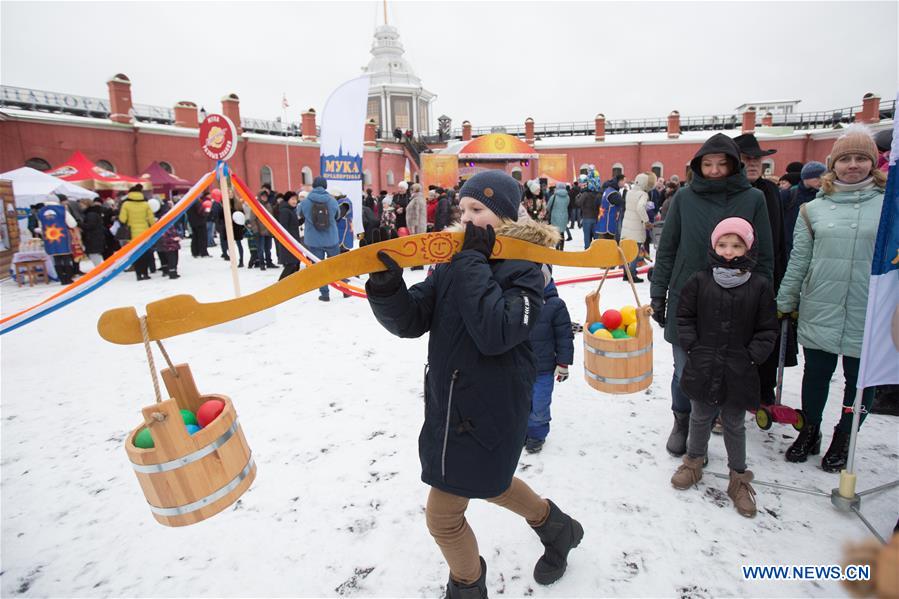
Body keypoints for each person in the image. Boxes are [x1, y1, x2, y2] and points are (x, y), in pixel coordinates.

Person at [364, 170, 583, 596]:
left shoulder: (527, 268)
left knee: (444, 518)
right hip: (449, 404)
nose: (465, 219)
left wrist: (470, 261)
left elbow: (497, 331)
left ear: (503, 217)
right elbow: (412, 319)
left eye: (477, 210)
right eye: (461, 209)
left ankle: (467, 586)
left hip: (493, 409)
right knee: (492, 484)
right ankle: (559, 529)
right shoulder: (452, 263)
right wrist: (387, 289)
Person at [650, 133, 774, 458]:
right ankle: (683, 421)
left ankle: (710, 425)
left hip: (737, 303)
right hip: (686, 299)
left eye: (722, 163)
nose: (715, 170)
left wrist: (763, 301)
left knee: (723, 369)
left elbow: (764, 257)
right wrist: (658, 294)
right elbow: (667, 249)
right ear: (698, 166)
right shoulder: (685, 198)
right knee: (684, 370)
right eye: (708, 164)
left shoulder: (753, 199)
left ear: (733, 165)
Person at [776, 126, 887, 471]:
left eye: (860, 159)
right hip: (821, 302)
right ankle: (809, 430)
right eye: (845, 159)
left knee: (860, 379)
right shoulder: (815, 210)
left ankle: (845, 434)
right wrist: (785, 300)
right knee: (817, 374)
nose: (852, 165)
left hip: (868, 307)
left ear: (872, 163)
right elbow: (799, 259)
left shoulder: (889, 207)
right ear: (833, 165)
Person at [671, 217, 778, 518]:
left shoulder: (758, 286)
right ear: (714, 246)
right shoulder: (700, 280)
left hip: (738, 368)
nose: (729, 251)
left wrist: (751, 356)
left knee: (733, 423)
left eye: (736, 245)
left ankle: (739, 477)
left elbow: (767, 329)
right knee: (700, 416)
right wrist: (693, 347)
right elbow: (685, 317)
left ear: (748, 248)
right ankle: (693, 463)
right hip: (704, 364)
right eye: (723, 244)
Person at [733, 134, 787, 407]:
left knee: (765, 335)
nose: (753, 164)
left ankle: (764, 388)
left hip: (766, 276)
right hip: (732, 276)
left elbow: (778, 239)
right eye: (747, 159)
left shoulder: (770, 191)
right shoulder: (730, 193)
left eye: (757, 159)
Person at [525, 274, 574, 454]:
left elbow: (564, 336)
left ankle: (537, 434)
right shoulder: (518, 299)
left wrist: (563, 363)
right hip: (520, 367)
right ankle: (523, 431)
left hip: (544, 369)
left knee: (540, 402)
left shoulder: (555, 305)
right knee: (522, 401)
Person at [297, 177, 340, 299]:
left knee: (319, 268)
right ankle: (345, 289)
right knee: (337, 265)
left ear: (314, 186)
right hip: (331, 238)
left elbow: (299, 215)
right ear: (325, 186)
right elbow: (337, 216)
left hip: (314, 241)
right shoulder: (332, 201)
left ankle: (325, 294)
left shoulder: (305, 202)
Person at [781, 161, 826, 258]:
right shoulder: (789, 194)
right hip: (790, 245)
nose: (822, 181)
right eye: (817, 177)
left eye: (824, 177)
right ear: (806, 177)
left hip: (816, 246)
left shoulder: (824, 196)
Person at [118, 188, 157, 281]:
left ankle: (139, 274)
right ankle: (146, 273)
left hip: (132, 233)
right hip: (145, 232)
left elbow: (122, 219)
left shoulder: (126, 204)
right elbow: (151, 219)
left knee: (136, 254)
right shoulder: (145, 204)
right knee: (146, 253)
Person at [619, 173, 651, 282]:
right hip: (636, 226)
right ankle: (632, 275)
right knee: (635, 252)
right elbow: (640, 207)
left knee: (627, 251)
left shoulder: (629, 192)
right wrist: (646, 221)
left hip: (627, 225)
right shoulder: (643, 194)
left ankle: (625, 274)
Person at [276, 191, 302, 281]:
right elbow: (284, 227)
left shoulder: (290, 210)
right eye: (293, 199)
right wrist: (289, 240)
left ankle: (287, 284)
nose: (295, 201)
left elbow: (293, 224)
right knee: (291, 264)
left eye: (296, 199)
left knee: (294, 264)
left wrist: (303, 219)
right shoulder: (285, 211)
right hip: (288, 242)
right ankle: (280, 284)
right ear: (287, 200)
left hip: (293, 240)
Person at [79, 197, 106, 267]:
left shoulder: (90, 214)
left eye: (81, 205)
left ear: (86, 205)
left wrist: (79, 224)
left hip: (93, 238)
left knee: (94, 255)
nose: (80, 207)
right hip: (95, 237)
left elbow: (90, 226)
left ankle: (99, 270)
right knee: (94, 255)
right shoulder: (92, 213)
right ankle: (99, 269)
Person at [546, 183, 570, 250]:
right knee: (562, 232)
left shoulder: (554, 196)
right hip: (564, 217)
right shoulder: (567, 196)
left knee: (556, 232)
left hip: (555, 217)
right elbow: (567, 205)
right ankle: (562, 248)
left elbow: (548, 207)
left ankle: (557, 247)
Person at [188, 193, 210, 258]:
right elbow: (201, 212)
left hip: (193, 222)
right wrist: (207, 212)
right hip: (200, 222)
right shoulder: (196, 202)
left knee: (195, 237)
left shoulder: (189, 202)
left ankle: (195, 252)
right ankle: (203, 252)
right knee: (202, 238)